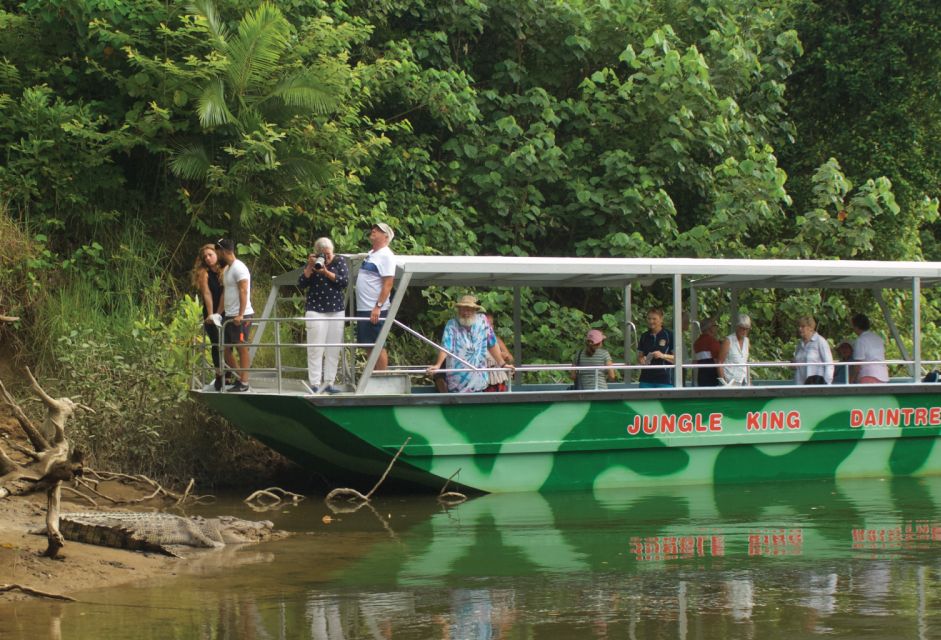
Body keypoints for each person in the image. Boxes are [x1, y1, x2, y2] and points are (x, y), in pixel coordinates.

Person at [426, 295, 513, 393]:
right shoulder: (452, 325)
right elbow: (446, 346)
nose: (466, 312)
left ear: (475, 310)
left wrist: (502, 364)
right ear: (459, 310)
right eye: (463, 309)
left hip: (479, 382)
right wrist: (438, 365)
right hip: (457, 383)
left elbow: (492, 343)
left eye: (469, 309)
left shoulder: (483, 321)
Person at [298, 237, 349, 393]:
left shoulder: (339, 261)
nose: (326, 257)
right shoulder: (313, 264)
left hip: (336, 310)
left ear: (332, 251)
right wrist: (309, 266)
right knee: (315, 348)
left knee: (333, 349)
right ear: (317, 252)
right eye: (323, 254)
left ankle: (329, 383)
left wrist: (325, 271)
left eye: (328, 254)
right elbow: (301, 284)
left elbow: (344, 281)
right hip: (315, 309)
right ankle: (314, 383)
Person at [355, 222, 395, 371]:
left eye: (378, 230)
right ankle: (374, 376)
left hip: (375, 309)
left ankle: (382, 379)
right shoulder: (372, 253)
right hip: (364, 307)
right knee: (368, 344)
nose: (374, 230)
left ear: (385, 237)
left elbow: (388, 283)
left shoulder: (386, 255)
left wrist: (378, 307)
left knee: (377, 344)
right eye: (374, 228)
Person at [215, 238, 254, 392]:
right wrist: (218, 314)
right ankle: (240, 376)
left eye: (218, 251)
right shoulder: (227, 269)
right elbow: (226, 292)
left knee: (241, 347)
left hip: (241, 315)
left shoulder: (239, 268)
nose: (217, 254)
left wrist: (241, 314)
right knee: (224, 348)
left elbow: (244, 290)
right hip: (228, 315)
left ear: (223, 251)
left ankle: (244, 383)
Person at [191, 243, 226, 391]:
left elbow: (227, 292)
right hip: (210, 310)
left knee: (229, 343)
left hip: (226, 309)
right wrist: (212, 315)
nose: (208, 258)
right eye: (205, 256)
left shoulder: (226, 269)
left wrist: (219, 312)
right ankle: (219, 374)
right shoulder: (204, 272)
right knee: (216, 343)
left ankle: (230, 373)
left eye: (210, 255)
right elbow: (206, 294)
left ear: (217, 253)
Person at [637, 307, 674, 388]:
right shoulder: (644, 336)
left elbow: (677, 358)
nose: (651, 321)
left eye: (654, 319)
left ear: (661, 319)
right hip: (646, 379)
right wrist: (642, 360)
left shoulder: (670, 335)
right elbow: (640, 356)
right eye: (649, 319)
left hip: (664, 379)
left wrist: (663, 355)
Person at [850, 313, 889, 384]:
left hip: (869, 376)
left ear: (856, 327)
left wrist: (850, 381)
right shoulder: (878, 338)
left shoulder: (860, 340)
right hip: (883, 376)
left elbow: (857, 365)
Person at [793, 316, 833, 385]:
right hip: (800, 385)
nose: (799, 329)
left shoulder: (820, 341)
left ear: (811, 328)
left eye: (803, 326)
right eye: (799, 326)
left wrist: (827, 384)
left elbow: (829, 364)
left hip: (816, 385)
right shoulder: (799, 344)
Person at [718, 314, 752, 386]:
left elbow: (746, 362)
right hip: (729, 380)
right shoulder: (728, 341)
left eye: (747, 329)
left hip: (744, 380)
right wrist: (724, 383)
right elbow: (720, 362)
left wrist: (749, 381)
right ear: (737, 327)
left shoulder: (747, 341)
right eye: (742, 328)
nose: (744, 331)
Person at [484, 313, 514, 392]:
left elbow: (510, 358)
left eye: (491, 324)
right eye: (486, 324)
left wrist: (505, 357)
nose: (489, 327)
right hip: (482, 377)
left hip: (497, 377)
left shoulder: (497, 340)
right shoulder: (475, 339)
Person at [693, 318, 721, 387]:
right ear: (710, 328)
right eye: (715, 325)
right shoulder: (712, 342)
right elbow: (718, 361)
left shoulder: (697, 343)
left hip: (701, 376)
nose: (716, 328)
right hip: (712, 377)